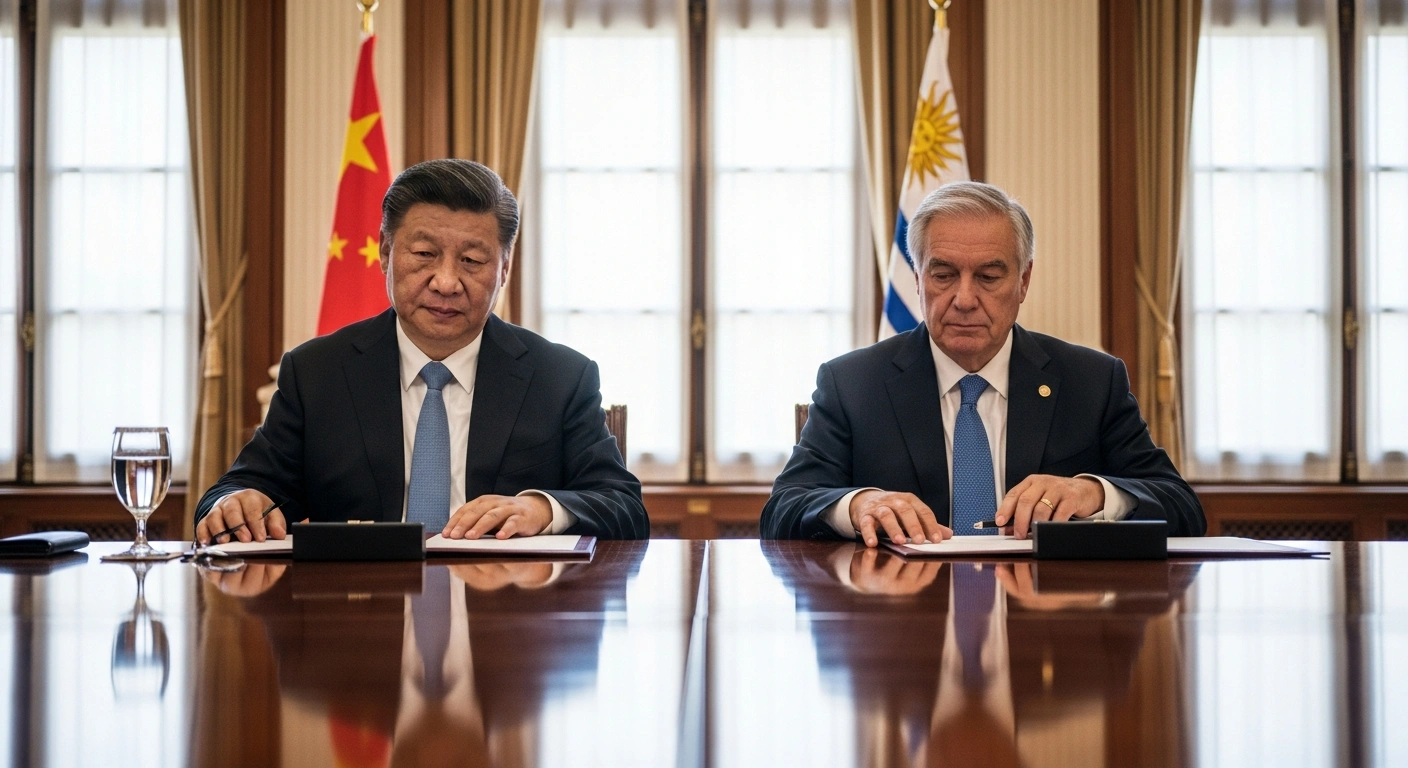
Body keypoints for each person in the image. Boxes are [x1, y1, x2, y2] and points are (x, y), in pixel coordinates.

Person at [195, 159, 648, 544]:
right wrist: (236, 504)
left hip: (506, 625)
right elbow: (235, 490)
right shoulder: (318, 373)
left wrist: (543, 509)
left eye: (472, 261)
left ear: (504, 269)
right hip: (357, 622)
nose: (447, 282)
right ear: (386, 252)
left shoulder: (560, 377)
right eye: (425, 253)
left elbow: (624, 506)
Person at [761, 181, 1204, 546]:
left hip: (1047, 628)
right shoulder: (852, 383)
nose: (965, 299)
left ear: (1024, 280)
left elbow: (1182, 507)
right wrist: (857, 506)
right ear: (917, 279)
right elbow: (784, 508)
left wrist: (1092, 492)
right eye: (943, 275)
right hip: (901, 628)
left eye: (989, 277)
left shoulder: (1091, 381)